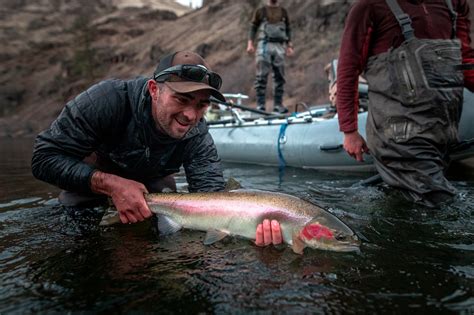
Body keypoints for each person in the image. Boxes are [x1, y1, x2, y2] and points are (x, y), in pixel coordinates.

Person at [32, 50, 282, 246]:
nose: (190, 115)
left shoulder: (198, 135)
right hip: (90, 184)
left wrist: (249, 229)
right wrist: (111, 185)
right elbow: (43, 158)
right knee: (75, 232)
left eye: (202, 105)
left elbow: (213, 198)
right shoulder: (106, 100)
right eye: (182, 99)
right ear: (154, 89)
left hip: (156, 191)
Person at [337, 0, 474, 207]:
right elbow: (348, 69)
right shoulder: (369, 6)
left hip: (443, 132)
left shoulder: (455, 4)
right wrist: (349, 130)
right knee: (441, 205)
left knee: (415, 207)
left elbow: (465, 61)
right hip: (398, 137)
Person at [246, 0, 294, 114]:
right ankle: (260, 106)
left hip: (279, 46)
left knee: (280, 77)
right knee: (261, 77)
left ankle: (278, 105)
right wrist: (250, 43)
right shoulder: (260, 11)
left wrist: (290, 45)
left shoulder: (283, 12)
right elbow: (253, 27)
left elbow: (288, 28)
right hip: (264, 45)